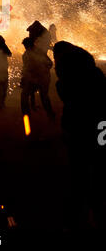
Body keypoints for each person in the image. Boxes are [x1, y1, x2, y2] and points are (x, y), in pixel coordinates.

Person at [53, 41, 106, 229]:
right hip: (101, 125)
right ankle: (96, 207)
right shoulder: (97, 75)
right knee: (99, 161)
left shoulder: (65, 83)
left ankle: (83, 210)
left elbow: (68, 101)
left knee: (80, 168)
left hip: (78, 129)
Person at [20, 36, 55, 120]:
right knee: (24, 95)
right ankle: (26, 116)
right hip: (32, 79)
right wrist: (24, 76)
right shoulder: (26, 54)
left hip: (42, 79)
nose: (25, 47)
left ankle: (51, 115)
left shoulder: (39, 52)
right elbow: (26, 67)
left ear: (29, 45)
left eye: (25, 45)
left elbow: (49, 63)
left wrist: (42, 72)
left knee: (44, 97)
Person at [0, 35, 12, 109]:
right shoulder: (4, 47)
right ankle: (2, 103)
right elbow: (10, 54)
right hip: (3, 70)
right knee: (4, 87)